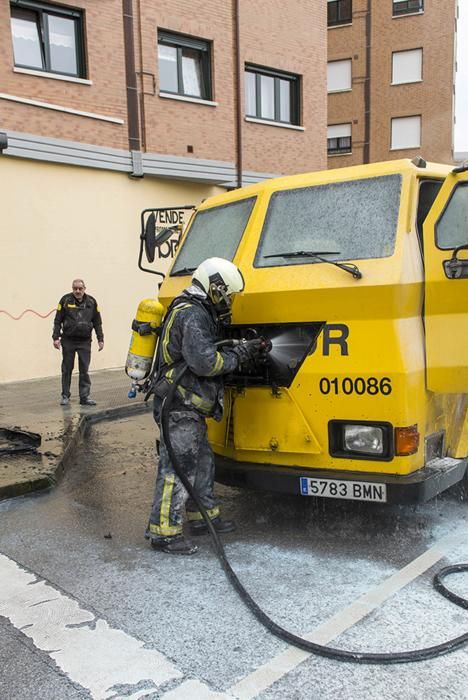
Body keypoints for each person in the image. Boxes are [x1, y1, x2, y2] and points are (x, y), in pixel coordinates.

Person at [147, 257, 264, 555]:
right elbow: (206, 362)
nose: (229, 302)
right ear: (215, 288)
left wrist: (239, 346)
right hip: (179, 406)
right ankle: (164, 534)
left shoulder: (195, 310)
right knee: (177, 468)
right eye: (229, 295)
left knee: (201, 463)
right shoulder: (193, 315)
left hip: (188, 406)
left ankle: (203, 518)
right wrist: (240, 355)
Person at [52, 279, 104, 406]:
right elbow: (58, 320)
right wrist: (56, 337)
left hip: (85, 342)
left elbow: (97, 321)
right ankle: (65, 396)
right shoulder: (65, 301)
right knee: (67, 369)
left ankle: (85, 397)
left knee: (84, 370)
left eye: (80, 288)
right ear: (72, 288)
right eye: (75, 288)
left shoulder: (92, 302)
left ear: (84, 288)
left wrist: (100, 339)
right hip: (68, 340)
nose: (77, 291)